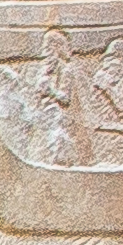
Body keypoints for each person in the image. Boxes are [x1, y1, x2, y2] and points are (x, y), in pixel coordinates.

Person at [33, 29, 92, 166]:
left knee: (58, 145)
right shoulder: (46, 70)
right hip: (47, 116)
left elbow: (65, 98)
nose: (45, 51)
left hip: (61, 119)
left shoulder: (66, 70)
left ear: (57, 48)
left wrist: (50, 91)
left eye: (48, 48)